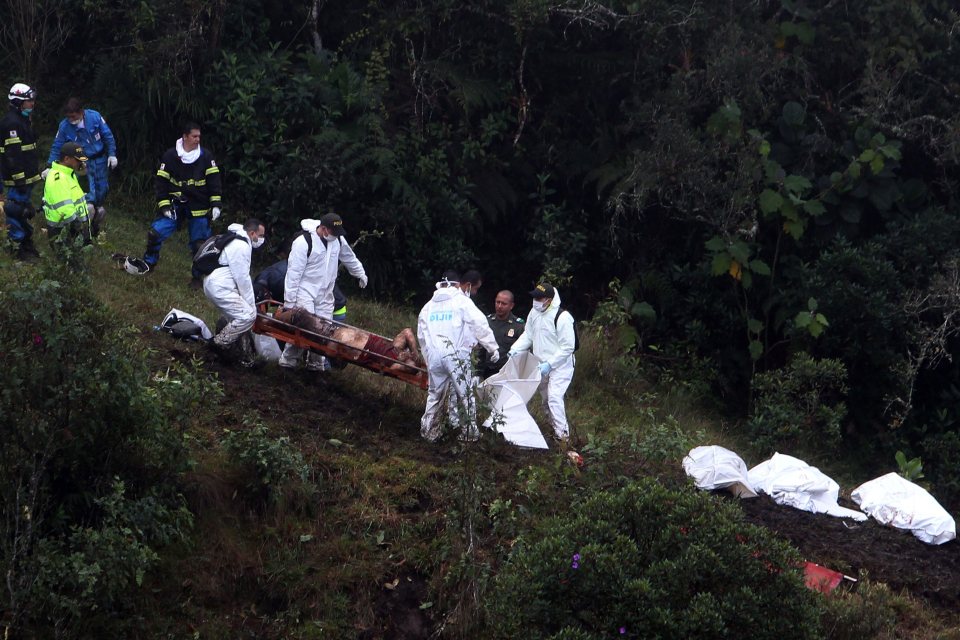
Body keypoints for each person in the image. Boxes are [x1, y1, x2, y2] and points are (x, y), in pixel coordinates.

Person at [135, 122, 222, 285]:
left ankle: (198, 278)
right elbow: (161, 182)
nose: (197, 140)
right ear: (185, 136)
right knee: (155, 233)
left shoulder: (206, 156)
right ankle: (148, 263)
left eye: (199, 137)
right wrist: (164, 205)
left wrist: (216, 204)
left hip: (199, 206)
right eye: (194, 136)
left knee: (200, 246)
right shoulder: (170, 156)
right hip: (176, 204)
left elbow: (214, 181)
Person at [417, 270, 500, 442]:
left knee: (434, 395)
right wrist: (492, 347)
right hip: (456, 354)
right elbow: (479, 323)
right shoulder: (462, 301)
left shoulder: (428, 306)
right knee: (465, 394)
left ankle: (429, 432)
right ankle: (469, 432)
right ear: (460, 285)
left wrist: (428, 358)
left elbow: (422, 336)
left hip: (434, 355)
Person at [278, 213, 367, 371]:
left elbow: (348, 257)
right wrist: (289, 304)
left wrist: (360, 273)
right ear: (324, 229)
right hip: (305, 291)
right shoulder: (304, 242)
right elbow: (293, 275)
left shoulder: (337, 239)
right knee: (305, 328)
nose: (336, 235)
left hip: (326, 292)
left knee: (325, 333)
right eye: (333, 232)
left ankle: (316, 366)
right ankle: (288, 363)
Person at [508, 282, 576, 443]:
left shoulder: (563, 317)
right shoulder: (534, 313)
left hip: (561, 365)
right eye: (535, 297)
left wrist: (550, 364)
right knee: (545, 399)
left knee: (554, 397)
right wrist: (515, 348)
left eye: (540, 298)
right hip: (540, 363)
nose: (536, 301)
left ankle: (563, 437)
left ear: (549, 299)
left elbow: (568, 347)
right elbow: (528, 335)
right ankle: (553, 428)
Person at [46, 97, 117, 238]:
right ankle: (82, 229)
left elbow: (107, 135)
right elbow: (57, 146)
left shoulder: (94, 117)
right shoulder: (64, 126)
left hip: (100, 160)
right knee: (86, 194)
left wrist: (112, 154)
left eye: (73, 116)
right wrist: (50, 165)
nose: (71, 120)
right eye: (68, 117)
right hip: (82, 163)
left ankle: (95, 224)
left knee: (101, 191)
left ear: (81, 112)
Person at [203, 218, 266, 367]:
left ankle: (239, 355)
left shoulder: (239, 240)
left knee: (237, 319)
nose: (262, 239)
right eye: (261, 235)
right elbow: (242, 278)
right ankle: (218, 344)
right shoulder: (241, 246)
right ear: (252, 233)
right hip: (220, 287)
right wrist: (251, 305)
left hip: (217, 285)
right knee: (248, 316)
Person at [0, 83, 42, 262]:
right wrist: (20, 180)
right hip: (19, 179)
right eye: (28, 101)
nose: (32, 103)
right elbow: (13, 156)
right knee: (15, 209)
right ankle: (17, 246)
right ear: (18, 102)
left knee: (23, 209)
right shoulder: (12, 123)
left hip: (27, 177)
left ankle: (25, 241)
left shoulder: (22, 120)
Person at [43, 142, 92, 247]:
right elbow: (65, 208)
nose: (80, 163)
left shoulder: (68, 173)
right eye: (77, 160)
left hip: (72, 229)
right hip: (63, 232)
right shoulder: (59, 178)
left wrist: (83, 174)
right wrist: (78, 227)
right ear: (66, 159)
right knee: (71, 262)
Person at [478, 290, 524, 378]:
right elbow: (481, 349)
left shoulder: (518, 326)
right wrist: (478, 373)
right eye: (497, 302)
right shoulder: (487, 322)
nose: (499, 306)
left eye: (503, 304)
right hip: (488, 372)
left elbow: (523, 354)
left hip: (508, 373)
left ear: (511, 306)